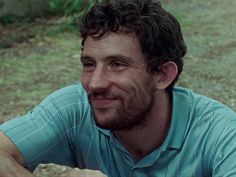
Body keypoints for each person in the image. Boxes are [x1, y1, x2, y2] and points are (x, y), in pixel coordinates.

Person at [0, 0, 236, 176]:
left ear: (163, 75)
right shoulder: (74, 108)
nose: (95, 83)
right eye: (89, 64)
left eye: (118, 64)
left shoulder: (219, 133)